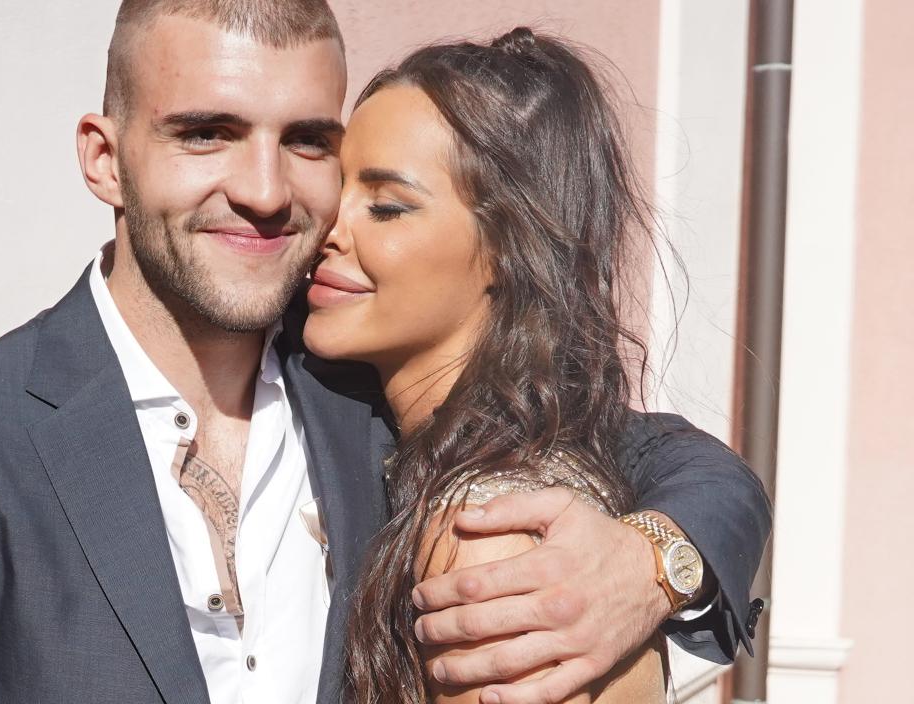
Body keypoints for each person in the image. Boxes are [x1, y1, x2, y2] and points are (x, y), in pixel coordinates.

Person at [0, 3, 770, 703]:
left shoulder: (371, 392)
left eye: (309, 142)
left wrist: (650, 562)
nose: (266, 191)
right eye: (207, 134)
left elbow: (681, 461)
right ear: (106, 158)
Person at [302, 28, 765, 704]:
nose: (328, 229)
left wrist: (654, 561)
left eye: (387, 207)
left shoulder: (495, 539)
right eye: (335, 188)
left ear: (508, 248)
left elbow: (696, 467)